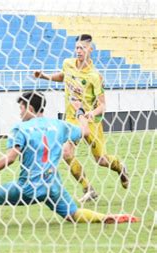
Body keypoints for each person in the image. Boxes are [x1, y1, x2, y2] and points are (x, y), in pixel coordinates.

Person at [0, 91, 138, 225]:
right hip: (52, 186)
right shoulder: (59, 125)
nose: (20, 112)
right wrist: (80, 112)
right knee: (73, 214)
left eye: (21, 108)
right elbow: (85, 131)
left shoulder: (21, 128)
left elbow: (11, 158)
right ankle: (108, 218)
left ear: (30, 109)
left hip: (28, 188)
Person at [33, 34, 128, 202]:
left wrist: (92, 113)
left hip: (91, 122)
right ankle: (87, 187)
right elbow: (63, 76)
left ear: (90, 50)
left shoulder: (94, 76)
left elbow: (102, 105)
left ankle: (120, 167)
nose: (78, 51)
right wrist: (44, 76)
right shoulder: (68, 64)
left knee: (101, 160)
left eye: (82, 48)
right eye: (76, 47)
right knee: (66, 152)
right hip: (71, 119)